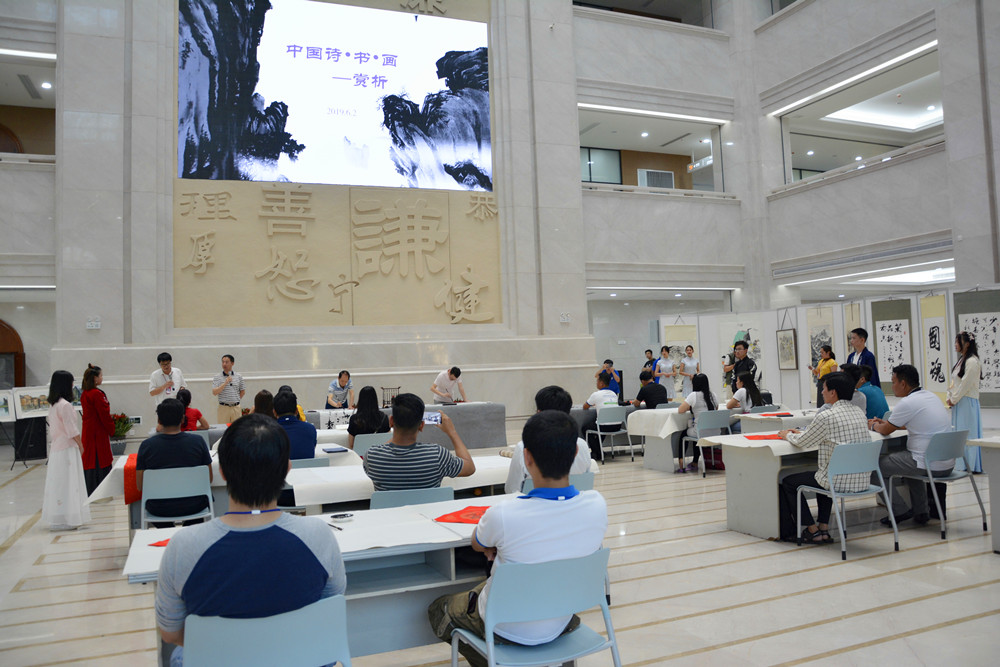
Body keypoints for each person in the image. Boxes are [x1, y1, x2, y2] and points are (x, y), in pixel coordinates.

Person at [155, 414, 346, 667]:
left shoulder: (184, 546)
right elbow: (330, 610)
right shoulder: (320, 536)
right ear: (287, 469)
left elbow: (170, 633)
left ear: (222, 472)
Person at [428, 410, 608, 667]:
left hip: (504, 625)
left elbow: (478, 543)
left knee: (439, 609)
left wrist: (495, 545)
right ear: (576, 454)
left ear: (526, 457)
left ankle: (495, 660)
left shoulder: (504, 514)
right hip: (561, 617)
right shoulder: (597, 505)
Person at [777, 372, 869, 543]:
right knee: (824, 473)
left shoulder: (826, 415)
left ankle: (812, 530)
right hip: (861, 480)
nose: (821, 392)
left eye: (824, 388)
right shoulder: (859, 412)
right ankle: (823, 528)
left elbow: (803, 442)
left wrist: (786, 435)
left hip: (836, 480)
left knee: (789, 482)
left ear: (833, 392)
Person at [869, 364, 952, 525]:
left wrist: (873, 425)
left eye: (893, 382)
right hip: (946, 463)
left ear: (903, 383)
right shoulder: (931, 396)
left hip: (928, 464)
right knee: (908, 461)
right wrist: (886, 423)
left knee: (875, 468)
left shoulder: (908, 402)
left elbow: (885, 430)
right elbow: (912, 423)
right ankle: (921, 512)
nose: (892, 386)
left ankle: (899, 510)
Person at [363, 392, 475, 491]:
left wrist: (397, 429)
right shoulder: (437, 455)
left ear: (391, 421)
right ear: (421, 426)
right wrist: (452, 432)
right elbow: (470, 468)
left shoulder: (372, 456)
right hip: (429, 509)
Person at [136, 399, 213, 526]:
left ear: (159, 420)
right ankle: (187, 533)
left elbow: (140, 485)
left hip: (159, 507)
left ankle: (167, 532)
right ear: (183, 419)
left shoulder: (146, 446)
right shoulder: (198, 442)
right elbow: (208, 479)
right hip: (194, 505)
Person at [505, 386, 592, 493]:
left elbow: (512, 489)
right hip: (575, 501)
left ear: (539, 413)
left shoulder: (524, 446)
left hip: (533, 503)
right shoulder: (581, 444)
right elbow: (585, 484)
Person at [42, 370, 90, 530]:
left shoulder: (54, 405)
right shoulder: (65, 405)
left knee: (59, 484)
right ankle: (70, 518)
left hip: (57, 448)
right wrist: (81, 445)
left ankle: (60, 517)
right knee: (70, 484)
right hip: (68, 448)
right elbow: (72, 430)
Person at [947, 331, 982, 473]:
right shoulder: (962, 360)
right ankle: (960, 464)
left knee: (968, 434)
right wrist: (950, 396)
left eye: (958, 342)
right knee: (959, 433)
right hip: (959, 401)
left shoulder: (972, 361)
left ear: (967, 344)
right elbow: (954, 382)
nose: (955, 344)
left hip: (966, 401)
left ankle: (970, 464)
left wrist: (954, 398)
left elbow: (965, 384)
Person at [80, 363, 115, 495]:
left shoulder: (85, 393)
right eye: (101, 375)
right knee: (100, 458)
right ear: (95, 378)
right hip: (97, 432)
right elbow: (104, 415)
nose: (102, 378)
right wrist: (112, 429)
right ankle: (102, 490)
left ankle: (90, 489)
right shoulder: (96, 394)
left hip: (88, 431)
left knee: (90, 460)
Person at [677, 373, 718, 473]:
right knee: (697, 431)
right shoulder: (713, 395)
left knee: (685, 434)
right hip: (715, 431)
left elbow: (680, 410)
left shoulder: (693, 395)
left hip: (700, 432)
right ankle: (695, 462)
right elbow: (716, 409)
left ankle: (681, 463)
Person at [581, 372, 621, 459]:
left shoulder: (596, 394)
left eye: (597, 381)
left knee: (585, 428)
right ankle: (598, 452)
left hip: (604, 426)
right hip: (617, 426)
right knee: (601, 424)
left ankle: (597, 452)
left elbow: (585, 406)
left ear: (601, 383)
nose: (596, 383)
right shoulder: (613, 394)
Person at [274, 390, 316, 460]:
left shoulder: (268, 433)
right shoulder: (311, 429)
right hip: (306, 467)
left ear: (274, 412)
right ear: (297, 411)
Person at [347, 385, 390, 450]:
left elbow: (351, 444)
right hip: (380, 453)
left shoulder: (354, 419)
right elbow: (388, 440)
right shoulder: (384, 417)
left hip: (360, 455)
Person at [211, 354, 245, 424]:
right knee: (223, 428)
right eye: (223, 362)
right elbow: (214, 392)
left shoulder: (239, 376)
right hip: (223, 408)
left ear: (232, 363)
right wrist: (225, 383)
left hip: (236, 408)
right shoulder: (217, 377)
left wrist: (235, 400)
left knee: (237, 428)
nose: (224, 364)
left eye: (226, 362)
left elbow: (242, 391)